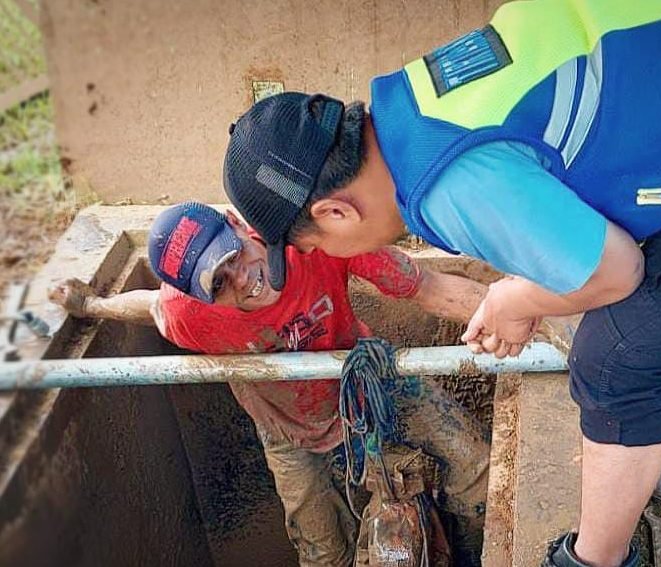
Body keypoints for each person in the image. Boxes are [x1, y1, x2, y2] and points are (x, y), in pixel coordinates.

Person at [220, 2, 661, 566]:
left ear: (334, 213)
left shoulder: (446, 184)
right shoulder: (419, 96)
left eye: (308, 247)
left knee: (614, 364)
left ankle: (596, 558)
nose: (318, 257)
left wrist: (518, 297)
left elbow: (616, 271)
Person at [49, 202, 491, 567]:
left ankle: (475, 555)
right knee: (322, 554)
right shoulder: (190, 315)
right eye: (218, 283)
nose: (242, 279)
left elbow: (425, 286)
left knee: (476, 466)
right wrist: (92, 305)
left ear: (240, 223)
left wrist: (521, 314)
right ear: (199, 297)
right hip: (288, 427)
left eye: (234, 255)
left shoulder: (314, 240)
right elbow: (150, 305)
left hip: (371, 385)